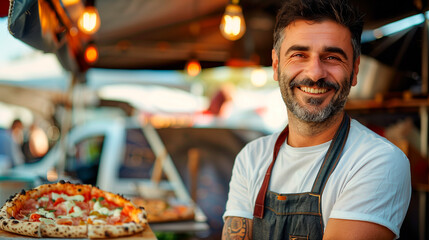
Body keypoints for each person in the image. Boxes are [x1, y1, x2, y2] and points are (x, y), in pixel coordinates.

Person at [222, 0, 411, 239]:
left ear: (354, 70)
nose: (314, 73)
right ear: (276, 64)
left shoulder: (378, 161)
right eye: (299, 54)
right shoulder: (251, 158)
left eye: (332, 57)